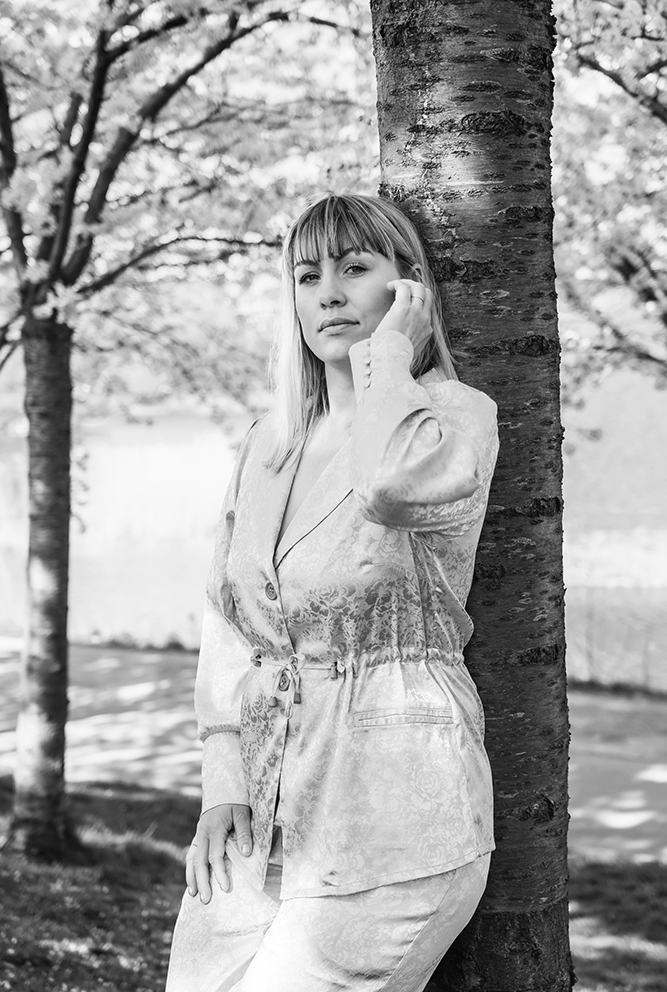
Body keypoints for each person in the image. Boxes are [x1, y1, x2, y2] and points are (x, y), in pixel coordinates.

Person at [165, 193, 499, 992]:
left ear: (407, 285)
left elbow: (389, 487)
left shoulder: (452, 417)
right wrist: (221, 785)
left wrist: (390, 355)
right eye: (307, 276)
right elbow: (229, 624)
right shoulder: (269, 443)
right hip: (259, 811)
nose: (329, 294)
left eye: (354, 268)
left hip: (394, 815)